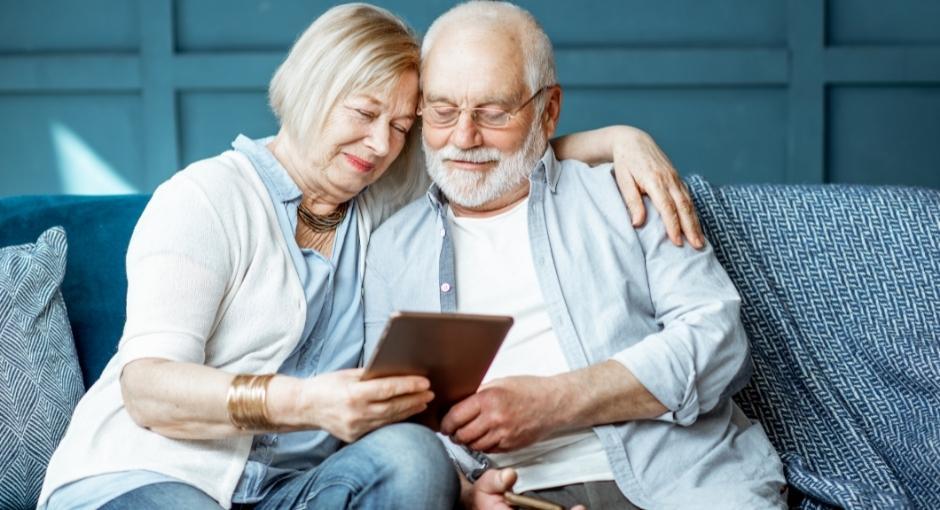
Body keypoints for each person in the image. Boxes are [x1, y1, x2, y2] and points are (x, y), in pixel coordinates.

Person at [38, 3, 700, 510]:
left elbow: (490, 153)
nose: (382, 143)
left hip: (292, 489)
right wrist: (303, 403)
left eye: (404, 126)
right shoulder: (207, 197)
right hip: (156, 472)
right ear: (311, 89)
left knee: (415, 458)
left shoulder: (376, 197)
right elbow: (148, 387)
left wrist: (621, 139)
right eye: (363, 113)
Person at [363, 2, 787, 509]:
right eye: (442, 109)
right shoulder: (391, 248)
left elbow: (717, 341)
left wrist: (554, 401)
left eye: (494, 113)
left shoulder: (626, 193)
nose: (463, 137)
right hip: (511, 498)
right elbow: (391, 418)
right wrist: (466, 493)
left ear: (549, 111)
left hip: (682, 480)